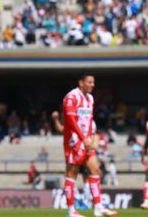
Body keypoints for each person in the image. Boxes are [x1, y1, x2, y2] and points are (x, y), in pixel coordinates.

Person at [61, 74, 117, 217]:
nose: (92, 85)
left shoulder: (90, 98)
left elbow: (89, 119)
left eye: (93, 82)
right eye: (89, 82)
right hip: (73, 140)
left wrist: (90, 138)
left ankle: (98, 207)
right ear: (81, 82)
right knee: (71, 174)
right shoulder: (72, 97)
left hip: (86, 140)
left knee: (95, 170)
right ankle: (71, 211)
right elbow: (71, 120)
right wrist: (82, 138)